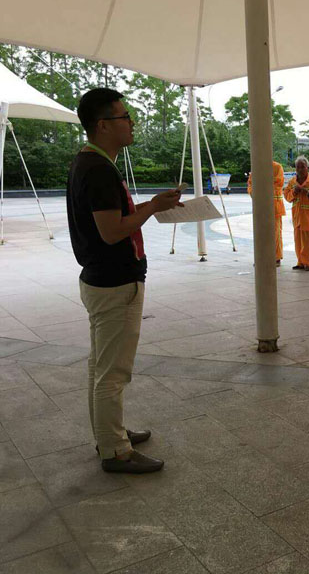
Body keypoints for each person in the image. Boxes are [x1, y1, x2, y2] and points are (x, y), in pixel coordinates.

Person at [67, 88, 182, 473]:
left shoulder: (89, 162)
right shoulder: (98, 169)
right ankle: (115, 450)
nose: (131, 123)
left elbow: (111, 220)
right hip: (114, 282)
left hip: (101, 279)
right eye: (124, 117)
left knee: (101, 366)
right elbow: (112, 231)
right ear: (102, 125)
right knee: (112, 373)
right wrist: (152, 208)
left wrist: (153, 205)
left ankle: (109, 434)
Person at [283, 155, 309, 271]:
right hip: (297, 217)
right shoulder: (292, 182)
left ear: (307, 168)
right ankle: (300, 262)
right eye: (298, 167)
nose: (300, 169)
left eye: (302, 167)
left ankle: (308, 263)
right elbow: (287, 196)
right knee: (298, 241)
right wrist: (294, 192)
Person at [248, 159, 285, 266]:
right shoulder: (256, 167)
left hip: (275, 207)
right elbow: (250, 184)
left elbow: (278, 183)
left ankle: (276, 258)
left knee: (275, 233)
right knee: (261, 233)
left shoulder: (277, 167)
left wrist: (260, 187)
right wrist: (254, 193)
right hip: (261, 207)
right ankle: (261, 257)